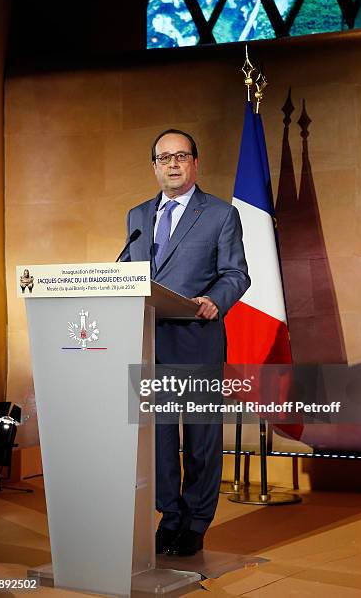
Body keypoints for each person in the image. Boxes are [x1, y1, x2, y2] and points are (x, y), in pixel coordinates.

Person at [121, 129, 250, 556]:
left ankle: (196, 522)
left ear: (195, 163)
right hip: (148, 343)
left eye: (181, 156)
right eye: (164, 158)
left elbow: (236, 274)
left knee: (200, 441)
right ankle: (170, 516)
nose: (172, 164)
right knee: (157, 443)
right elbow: (130, 274)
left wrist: (215, 300)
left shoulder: (219, 214)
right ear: (154, 166)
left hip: (196, 341)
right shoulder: (137, 216)